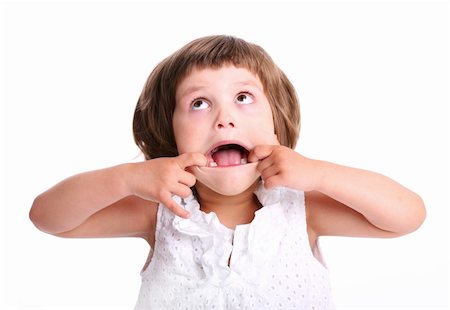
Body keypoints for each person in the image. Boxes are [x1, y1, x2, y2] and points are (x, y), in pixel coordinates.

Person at [29, 35, 426, 310]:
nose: (225, 120)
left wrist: (319, 174)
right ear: (171, 134)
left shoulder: (302, 212)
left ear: (276, 123)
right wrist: (129, 178)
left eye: (243, 98)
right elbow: (48, 218)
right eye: (199, 103)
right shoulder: (162, 213)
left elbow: (406, 216)